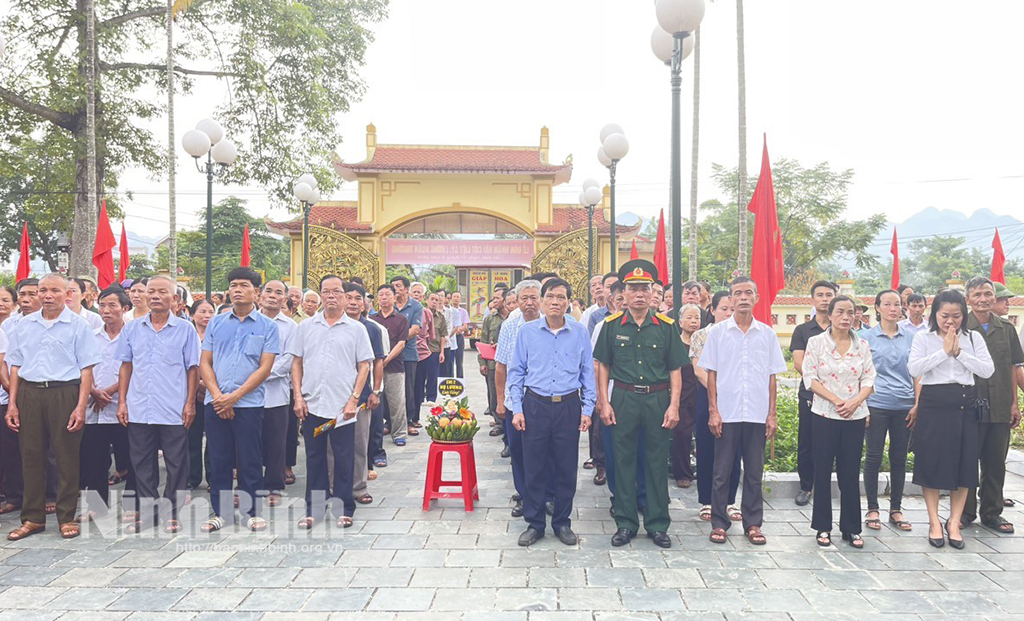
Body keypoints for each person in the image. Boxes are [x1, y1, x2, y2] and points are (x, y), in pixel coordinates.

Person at [593, 259, 685, 549]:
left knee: (657, 462)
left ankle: (658, 524)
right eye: (633, 289)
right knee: (623, 463)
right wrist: (603, 402)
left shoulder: (667, 327)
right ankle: (626, 523)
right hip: (624, 398)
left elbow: (675, 370)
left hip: (657, 399)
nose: (640, 294)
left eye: (645, 288)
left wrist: (674, 405)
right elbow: (602, 366)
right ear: (624, 293)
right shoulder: (611, 326)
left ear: (653, 292)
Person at [5, 273, 100, 540]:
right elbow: (15, 366)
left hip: (65, 393)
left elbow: (86, 369)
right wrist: (12, 403)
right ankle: (32, 518)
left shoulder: (78, 326)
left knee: (66, 456)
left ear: (67, 294)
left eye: (55, 291)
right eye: (42, 290)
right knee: (31, 455)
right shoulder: (24, 325)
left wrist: (81, 406)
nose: (48, 296)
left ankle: (66, 517)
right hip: (30, 393)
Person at [507, 278, 595, 546]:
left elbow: (587, 374)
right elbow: (516, 372)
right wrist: (517, 409)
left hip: (569, 405)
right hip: (535, 404)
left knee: (566, 467)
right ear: (543, 301)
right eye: (550, 297)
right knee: (534, 466)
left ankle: (562, 522)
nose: (555, 302)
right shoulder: (527, 332)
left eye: (561, 297)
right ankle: (535, 524)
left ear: (569, 303)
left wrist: (588, 409)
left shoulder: (579, 333)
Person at [700, 276, 787, 547]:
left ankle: (753, 523)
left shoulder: (767, 334)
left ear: (757, 298)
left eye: (749, 292)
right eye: (738, 293)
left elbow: (773, 377)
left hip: (757, 414)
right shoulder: (717, 333)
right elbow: (711, 374)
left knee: (753, 473)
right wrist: (713, 410)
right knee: (721, 471)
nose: (743, 298)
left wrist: (772, 414)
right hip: (727, 413)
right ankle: (719, 522)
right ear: (731, 299)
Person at [908, 287, 994, 549]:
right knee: (931, 463)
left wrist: (959, 353)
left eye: (956, 316)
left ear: (963, 315)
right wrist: (943, 352)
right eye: (945, 315)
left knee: (964, 464)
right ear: (935, 314)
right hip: (934, 403)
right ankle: (934, 521)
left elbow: (987, 370)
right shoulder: (924, 338)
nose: (950, 321)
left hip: (964, 403)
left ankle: (954, 522)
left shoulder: (974, 339)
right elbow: (914, 368)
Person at [116, 275, 199, 533]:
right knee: (141, 462)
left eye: (161, 292)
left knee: (176, 463)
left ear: (174, 299)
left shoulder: (185, 329)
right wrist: (122, 402)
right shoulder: (131, 328)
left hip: (173, 407)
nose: (154, 296)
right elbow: (126, 366)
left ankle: (172, 512)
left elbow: (192, 369)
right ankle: (148, 511)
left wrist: (190, 403)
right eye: (150, 292)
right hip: (140, 405)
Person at [199, 267, 279, 533]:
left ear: (256, 292)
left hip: (249, 404)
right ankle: (220, 512)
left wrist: (234, 397)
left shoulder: (268, 327)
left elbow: (264, 368)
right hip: (216, 403)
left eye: (243, 285)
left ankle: (251, 511)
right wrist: (219, 397)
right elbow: (205, 362)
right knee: (218, 457)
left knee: (250, 458)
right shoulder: (216, 322)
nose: (236, 290)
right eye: (233, 285)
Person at [291, 275, 372, 529]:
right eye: (326, 292)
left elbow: (364, 366)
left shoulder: (356, 329)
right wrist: (298, 396)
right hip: (313, 405)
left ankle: (344, 507)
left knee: (343, 458)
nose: (331, 296)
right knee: (314, 458)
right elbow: (296, 363)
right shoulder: (306, 327)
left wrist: (354, 400)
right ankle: (314, 509)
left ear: (345, 296)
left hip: (342, 410)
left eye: (337, 292)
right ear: (320, 296)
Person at [802, 295, 877, 549]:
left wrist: (855, 402)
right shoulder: (816, 343)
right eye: (841, 312)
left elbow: (869, 379)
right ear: (830, 315)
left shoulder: (862, 345)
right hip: (824, 414)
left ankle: (851, 528)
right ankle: (823, 527)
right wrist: (836, 400)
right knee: (822, 471)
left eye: (851, 312)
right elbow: (809, 378)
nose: (846, 317)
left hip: (854, 417)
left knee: (849, 473)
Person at [962, 277, 1022, 534]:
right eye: (977, 295)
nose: (984, 299)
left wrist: (1014, 404)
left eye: (988, 294)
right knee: (965, 460)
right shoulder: (961, 326)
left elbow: (1012, 366)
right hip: (968, 405)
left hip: (999, 405)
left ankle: (992, 513)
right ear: (968, 300)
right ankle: (963, 512)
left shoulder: (1006, 329)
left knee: (995, 461)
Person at [859, 289, 916, 533]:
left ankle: (896, 508)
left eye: (897, 304)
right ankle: (872, 508)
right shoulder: (866, 338)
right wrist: (863, 405)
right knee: (873, 457)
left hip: (905, 405)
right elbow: (860, 373)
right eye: (887, 304)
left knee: (899, 458)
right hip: (876, 404)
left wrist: (917, 403)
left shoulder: (911, 337)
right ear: (877, 307)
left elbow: (918, 372)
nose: (893, 308)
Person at [79, 286, 131, 520]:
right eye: (102, 305)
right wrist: (93, 391)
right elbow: (82, 366)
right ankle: (96, 506)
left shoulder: (132, 334)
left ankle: (132, 506)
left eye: (112, 305)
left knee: (130, 457)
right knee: (95, 459)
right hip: (93, 406)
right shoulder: (90, 334)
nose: (106, 310)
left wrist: (108, 392)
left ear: (125, 308)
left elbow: (134, 368)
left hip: (122, 406)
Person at [690, 291, 741, 522]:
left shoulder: (742, 334)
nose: (728, 313)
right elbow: (698, 368)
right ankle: (707, 501)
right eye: (724, 309)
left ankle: (730, 501)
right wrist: (717, 389)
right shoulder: (702, 335)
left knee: (734, 449)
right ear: (712, 310)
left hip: (736, 399)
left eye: (732, 309)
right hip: (707, 396)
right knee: (707, 447)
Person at [495, 280, 544, 517]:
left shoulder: (552, 322)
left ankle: (549, 495)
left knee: (547, 451)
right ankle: (524, 495)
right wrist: (500, 401)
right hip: (516, 400)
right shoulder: (510, 325)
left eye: (534, 297)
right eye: (524, 298)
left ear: (541, 299)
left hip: (545, 400)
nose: (529, 303)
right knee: (519, 449)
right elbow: (501, 366)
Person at [789, 280, 837, 506]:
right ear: (813, 300)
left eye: (829, 294)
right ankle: (806, 487)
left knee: (833, 442)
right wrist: (822, 384)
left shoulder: (844, 329)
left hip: (839, 397)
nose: (825, 299)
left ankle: (826, 486)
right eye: (820, 295)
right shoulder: (803, 330)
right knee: (807, 441)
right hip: (811, 394)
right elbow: (800, 364)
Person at [257, 280, 296, 508]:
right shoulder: (248, 321)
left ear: (285, 299)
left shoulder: (291, 326)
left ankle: (274, 485)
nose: (273, 295)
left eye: (278, 292)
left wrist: (261, 375)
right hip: (246, 395)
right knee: (249, 442)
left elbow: (289, 358)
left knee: (276, 442)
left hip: (277, 393)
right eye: (268, 291)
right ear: (259, 295)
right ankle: (249, 483)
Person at [345, 283, 384, 505]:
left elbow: (378, 361)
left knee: (360, 442)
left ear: (365, 303)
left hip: (362, 396)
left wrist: (376, 391)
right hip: (333, 395)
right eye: (348, 297)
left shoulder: (372, 329)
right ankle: (333, 485)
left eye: (357, 298)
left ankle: (359, 487)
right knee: (332, 447)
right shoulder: (329, 326)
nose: (352, 302)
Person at [371, 284, 410, 460]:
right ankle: (376, 435)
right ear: (377, 299)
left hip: (394, 366)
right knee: (376, 402)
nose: (384, 297)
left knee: (397, 401)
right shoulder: (372, 320)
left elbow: (401, 343)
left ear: (394, 298)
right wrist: (377, 363)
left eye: (388, 294)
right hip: (373, 368)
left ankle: (399, 434)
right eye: (381, 295)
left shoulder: (401, 319)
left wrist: (385, 360)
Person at [187, 299, 216, 491]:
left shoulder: (219, 334)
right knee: (191, 438)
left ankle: (213, 477)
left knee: (214, 439)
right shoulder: (187, 334)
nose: (207, 316)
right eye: (202, 312)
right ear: (192, 314)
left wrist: (207, 385)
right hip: (191, 392)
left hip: (214, 391)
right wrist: (197, 385)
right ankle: (192, 476)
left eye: (211, 312)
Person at [391, 276, 422, 447]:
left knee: (408, 389)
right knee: (390, 389)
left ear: (406, 289)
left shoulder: (416, 306)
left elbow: (416, 329)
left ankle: (409, 421)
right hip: (390, 354)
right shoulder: (389, 304)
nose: (396, 289)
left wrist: (398, 339)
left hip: (409, 354)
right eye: (393, 286)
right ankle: (390, 422)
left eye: (399, 286)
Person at [673, 304, 701, 488]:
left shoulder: (705, 341)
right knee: (682, 434)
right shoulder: (675, 343)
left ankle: (701, 468)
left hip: (703, 393)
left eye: (697, 318)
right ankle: (682, 473)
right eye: (689, 317)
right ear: (680, 321)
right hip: (682, 395)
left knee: (703, 435)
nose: (693, 321)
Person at [478, 292, 507, 435]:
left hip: (509, 364)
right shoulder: (490, 318)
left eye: (497, 298)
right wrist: (482, 362)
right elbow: (483, 339)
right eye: (493, 298)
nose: (494, 301)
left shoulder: (513, 317)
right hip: (492, 363)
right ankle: (499, 422)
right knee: (494, 393)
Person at [452, 291, 469, 378]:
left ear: (460, 299)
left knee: (459, 360)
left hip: (459, 337)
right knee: (449, 361)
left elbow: (465, 326)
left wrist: (459, 329)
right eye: (454, 296)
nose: (455, 298)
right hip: (450, 337)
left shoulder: (463, 311)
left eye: (457, 297)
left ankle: (460, 380)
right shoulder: (448, 310)